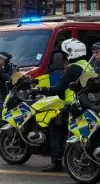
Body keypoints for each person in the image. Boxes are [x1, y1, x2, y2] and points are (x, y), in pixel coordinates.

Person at [32, 39, 95, 172]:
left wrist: (40, 90)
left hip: (73, 106)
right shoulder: (87, 65)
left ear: (72, 53)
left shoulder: (73, 68)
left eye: (66, 54)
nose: (65, 57)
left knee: (55, 128)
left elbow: (59, 89)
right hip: (86, 105)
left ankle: (56, 161)